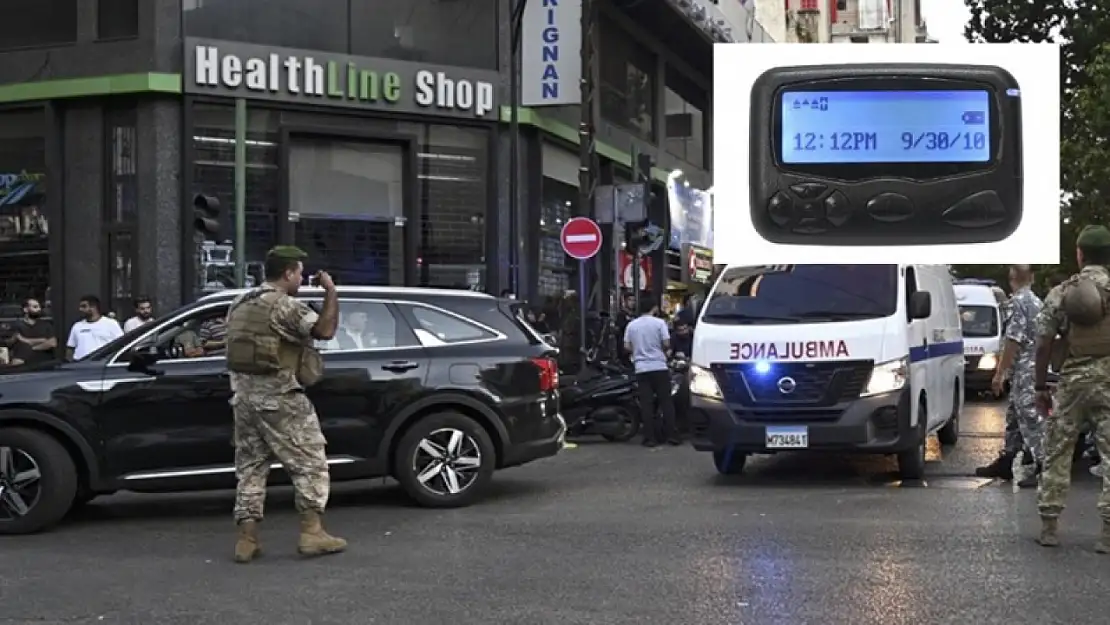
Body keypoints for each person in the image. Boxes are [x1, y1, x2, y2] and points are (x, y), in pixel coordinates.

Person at [224, 245, 344, 563]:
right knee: (310, 463)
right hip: (280, 400)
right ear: (288, 273)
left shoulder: (239, 302)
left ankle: (247, 540)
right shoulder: (284, 306)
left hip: (244, 400)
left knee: (250, 468)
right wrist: (330, 290)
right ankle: (312, 532)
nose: (302, 278)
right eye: (299, 273)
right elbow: (325, 330)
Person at [1032, 225, 1110, 551]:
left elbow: (1043, 342)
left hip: (1073, 383)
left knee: (1058, 451)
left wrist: (1040, 386)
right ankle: (1107, 534)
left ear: (1080, 254)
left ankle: (1050, 526)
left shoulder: (1062, 291)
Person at [976, 265, 1045, 486]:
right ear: (1032, 277)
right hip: (1036, 366)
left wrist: (1000, 373)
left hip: (1024, 370)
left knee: (1031, 420)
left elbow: (1013, 340)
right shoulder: (1037, 302)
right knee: (1015, 418)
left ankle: (1044, 467)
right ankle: (1007, 461)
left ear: (1011, 277)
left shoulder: (1017, 302)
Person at [623, 295, 679, 447]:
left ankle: (649, 438)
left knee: (646, 404)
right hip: (659, 366)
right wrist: (659, 348)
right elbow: (666, 343)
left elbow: (627, 347)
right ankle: (672, 435)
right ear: (654, 308)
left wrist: (639, 350)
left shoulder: (632, 325)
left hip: (641, 368)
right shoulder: (660, 323)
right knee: (666, 402)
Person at [65, 295, 123, 361]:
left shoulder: (111, 323)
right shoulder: (77, 326)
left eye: (84, 306)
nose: (80, 309)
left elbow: (120, 344)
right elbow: (70, 348)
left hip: (102, 364)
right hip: (79, 365)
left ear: (93, 307)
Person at [9, 298, 56, 366]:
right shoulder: (17, 326)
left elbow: (52, 343)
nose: (39, 309)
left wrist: (28, 344)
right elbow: (11, 341)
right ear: (25, 309)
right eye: (35, 307)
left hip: (44, 364)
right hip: (22, 365)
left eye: (39, 307)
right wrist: (42, 340)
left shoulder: (46, 325)